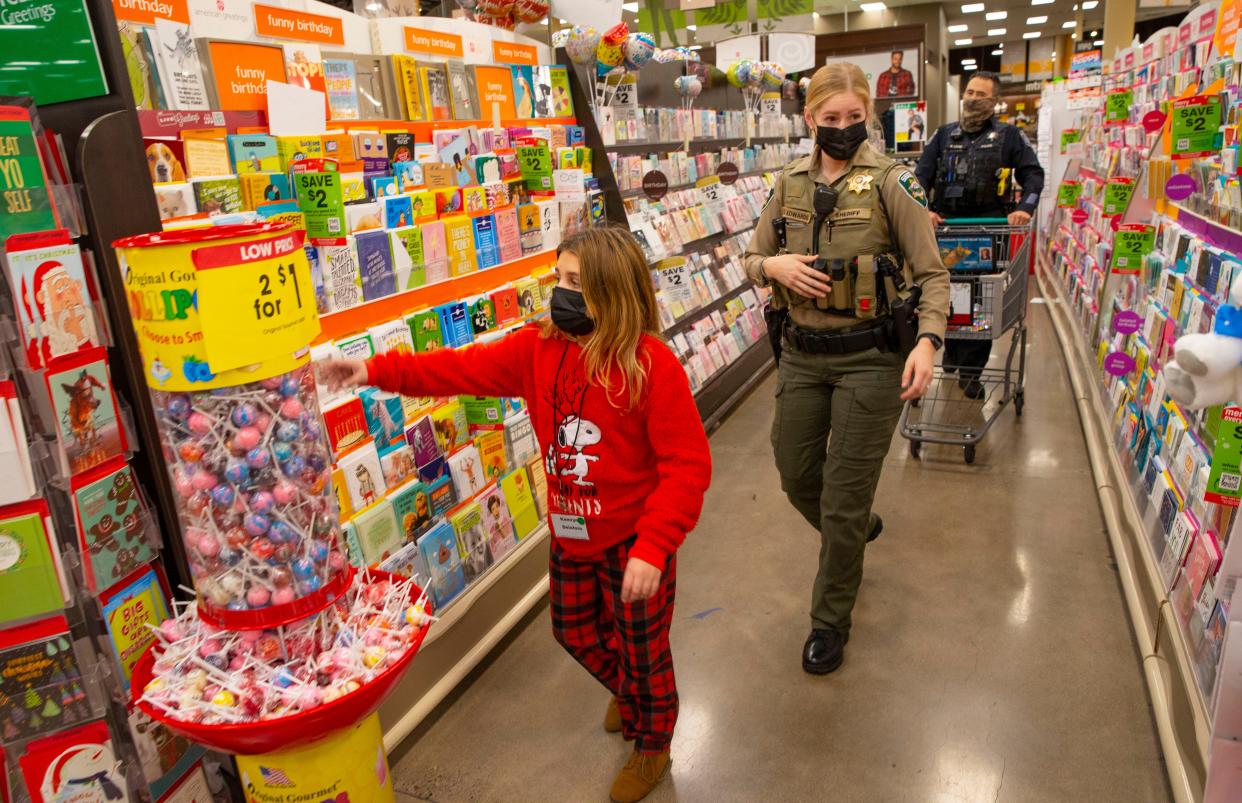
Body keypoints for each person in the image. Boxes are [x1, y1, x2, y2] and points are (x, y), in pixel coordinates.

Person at [318, 226, 712, 803]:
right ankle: (634, 693)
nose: (560, 292)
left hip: (634, 539)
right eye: (558, 277)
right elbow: (457, 367)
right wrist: (373, 371)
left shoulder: (650, 365)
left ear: (613, 290)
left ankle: (653, 741)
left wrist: (655, 546)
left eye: (575, 282)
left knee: (645, 651)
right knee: (573, 631)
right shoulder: (536, 348)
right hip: (571, 533)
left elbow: (687, 465)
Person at [742, 62, 950, 675]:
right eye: (829, 118)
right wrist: (771, 269)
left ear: (869, 116)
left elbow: (932, 272)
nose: (841, 127)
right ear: (809, 119)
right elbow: (753, 256)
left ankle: (829, 621)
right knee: (793, 469)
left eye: (853, 117)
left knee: (842, 499)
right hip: (803, 355)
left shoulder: (893, 182)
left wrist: (928, 341)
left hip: (871, 360)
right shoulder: (786, 185)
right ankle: (859, 527)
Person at [915, 71, 1045, 399]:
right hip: (946, 231)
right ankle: (952, 354)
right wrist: (925, 209)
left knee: (982, 298)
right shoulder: (943, 135)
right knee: (946, 294)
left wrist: (1024, 209)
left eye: (980, 95)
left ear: (993, 101)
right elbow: (919, 177)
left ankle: (971, 371)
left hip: (990, 231)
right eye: (969, 92)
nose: (972, 98)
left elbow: (1033, 175)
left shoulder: (1010, 136)